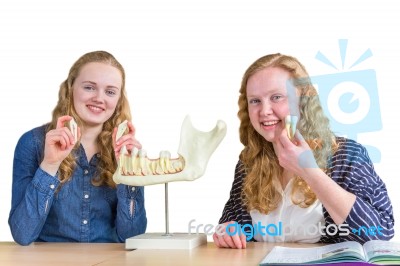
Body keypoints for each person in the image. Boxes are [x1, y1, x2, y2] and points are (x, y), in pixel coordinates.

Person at [213, 53, 394, 249]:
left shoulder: (348, 155)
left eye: (277, 97)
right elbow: (230, 222)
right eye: (255, 101)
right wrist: (227, 230)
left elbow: (380, 233)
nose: (264, 110)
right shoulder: (250, 160)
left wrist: (309, 171)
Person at [9, 51, 147, 245]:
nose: (99, 98)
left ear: (118, 101)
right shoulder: (32, 143)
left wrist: (128, 172)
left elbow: (132, 237)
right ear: (70, 89)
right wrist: (50, 164)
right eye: (90, 87)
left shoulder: (127, 151)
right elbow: (22, 235)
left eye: (110, 91)